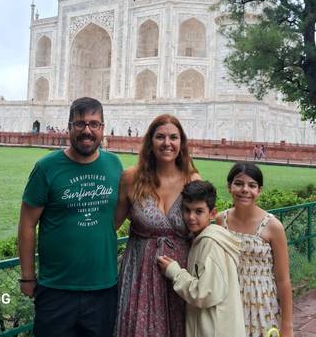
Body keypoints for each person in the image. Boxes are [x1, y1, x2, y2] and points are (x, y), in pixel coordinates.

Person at [18, 97, 123, 337]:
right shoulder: (47, 168)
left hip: (102, 287)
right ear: (69, 127)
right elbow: (26, 224)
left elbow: (114, 218)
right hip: (57, 288)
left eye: (94, 124)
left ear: (102, 128)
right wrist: (27, 277)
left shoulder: (113, 165)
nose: (87, 130)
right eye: (80, 124)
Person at [114, 114, 200, 337]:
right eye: (160, 137)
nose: (167, 143)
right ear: (150, 142)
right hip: (139, 272)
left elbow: (204, 227)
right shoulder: (131, 178)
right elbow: (110, 226)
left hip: (179, 273)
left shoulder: (193, 181)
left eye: (173, 137)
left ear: (181, 143)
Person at [157, 180, 245, 337]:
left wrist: (175, 272)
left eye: (198, 211)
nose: (191, 217)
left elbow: (205, 294)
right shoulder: (201, 239)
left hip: (214, 329)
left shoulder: (211, 244)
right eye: (187, 210)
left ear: (212, 213)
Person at [216, 162, 293, 337]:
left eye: (252, 185)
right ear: (229, 187)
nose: (245, 190)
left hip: (262, 304)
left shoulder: (272, 226)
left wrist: (287, 326)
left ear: (259, 190)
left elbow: (283, 280)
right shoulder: (221, 221)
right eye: (238, 183)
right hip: (230, 300)